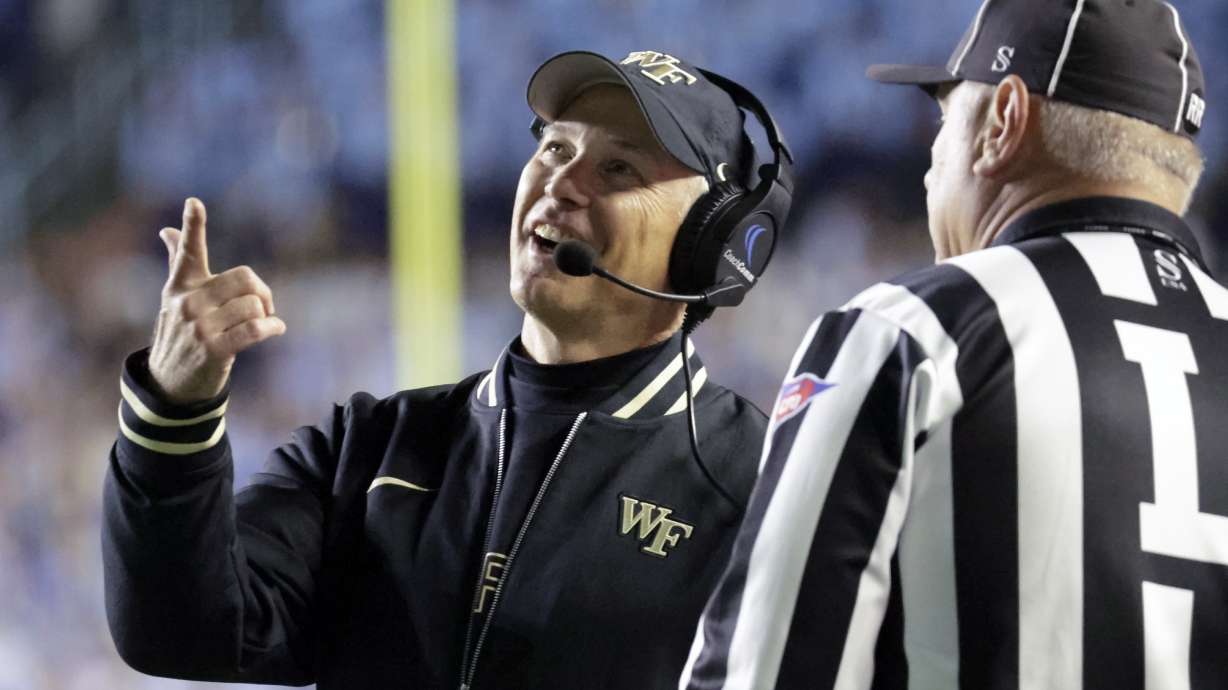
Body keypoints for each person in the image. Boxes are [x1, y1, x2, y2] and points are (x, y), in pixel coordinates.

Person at [103, 50, 791, 689]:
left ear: (708, 243)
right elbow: (179, 631)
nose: (561, 183)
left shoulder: (760, 492)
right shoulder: (369, 447)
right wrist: (174, 407)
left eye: (619, 170)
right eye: (556, 148)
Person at [681, 1, 1228, 688]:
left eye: (945, 120)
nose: (930, 166)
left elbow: (761, 670)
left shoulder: (909, 332)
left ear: (1002, 123)